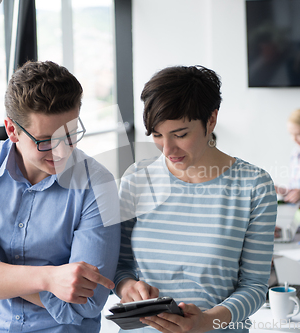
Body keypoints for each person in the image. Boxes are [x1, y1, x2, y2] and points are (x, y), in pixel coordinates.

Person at [0, 61, 121, 332]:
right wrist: (50, 278)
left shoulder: (97, 184)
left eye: (71, 135)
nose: (62, 151)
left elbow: (87, 303)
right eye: (45, 141)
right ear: (12, 130)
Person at [114, 65, 277, 332]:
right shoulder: (137, 179)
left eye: (180, 135)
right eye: (157, 135)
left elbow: (255, 286)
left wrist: (207, 321)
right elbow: (120, 266)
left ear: (211, 120)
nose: (168, 149)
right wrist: (127, 286)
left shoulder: (254, 186)